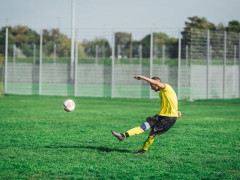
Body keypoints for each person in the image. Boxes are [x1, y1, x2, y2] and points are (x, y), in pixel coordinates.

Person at [111, 75, 181, 154]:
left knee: (152, 134)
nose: (151, 88)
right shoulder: (162, 93)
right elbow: (171, 101)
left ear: (156, 84)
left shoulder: (167, 87)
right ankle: (122, 136)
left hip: (168, 118)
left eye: (151, 85)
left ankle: (142, 150)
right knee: (143, 126)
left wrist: (143, 77)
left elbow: (156, 83)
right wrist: (176, 110)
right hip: (161, 115)